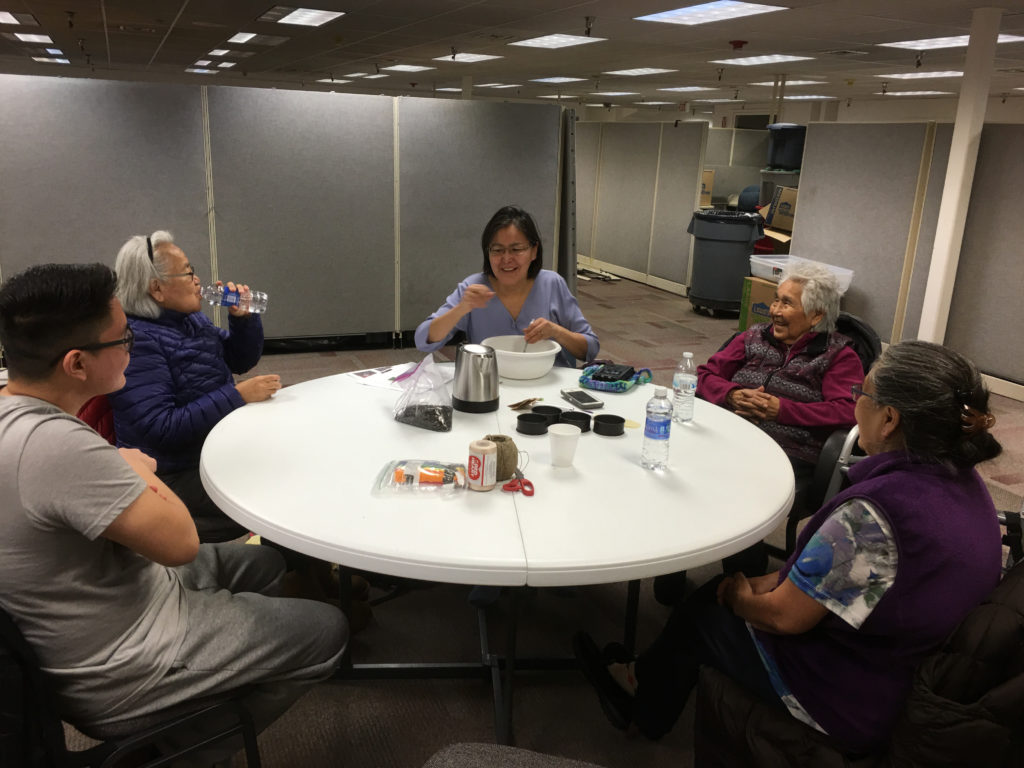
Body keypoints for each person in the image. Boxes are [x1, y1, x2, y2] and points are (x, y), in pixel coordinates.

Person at [574, 340, 1003, 754]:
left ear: (889, 419)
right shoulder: (965, 484)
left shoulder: (876, 515)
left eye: (862, 393)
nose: (856, 402)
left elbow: (784, 618)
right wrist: (772, 582)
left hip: (856, 699)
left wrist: (739, 597)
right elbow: (843, 578)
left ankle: (637, 702)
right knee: (730, 590)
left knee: (705, 610)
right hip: (914, 667)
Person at [0, 263, 347, 763]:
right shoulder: (55, 446)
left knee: (268, 566)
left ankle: (220, 681)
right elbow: (179, 543)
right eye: (124, 340)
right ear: (77, 364)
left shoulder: (22, 413)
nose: (132, 348)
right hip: (124, 661)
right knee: (327, 630)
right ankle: (182, 749)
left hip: (119, 592)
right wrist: (133, 467)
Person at [655, 260, 864, 600]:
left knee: (734, 495)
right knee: (673, 476)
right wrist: (733, 394)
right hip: (727, 438)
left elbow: (847, 411)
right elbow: (705, 375)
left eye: (786, 303)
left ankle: (743, 585)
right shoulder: (752, 337)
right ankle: (670, 567)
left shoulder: (838, 356)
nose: (774, 310)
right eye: (776, 300)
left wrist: (783, 410)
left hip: (788, 453)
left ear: (815, 315)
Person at [107, 230, 280, 542]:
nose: (197, 280)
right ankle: (299, 575)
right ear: (156, 289)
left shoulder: (188, 322)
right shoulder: (137, 344)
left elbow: (239, 360)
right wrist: (237, 396)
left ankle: (301, 569)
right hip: (174, 473)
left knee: (287, 454)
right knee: (277, 482)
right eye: (187, 272)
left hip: (212, 446)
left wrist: (242, 320)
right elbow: (162, 427)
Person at [415, 205, 599, 368]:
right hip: (490, 384)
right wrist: (461, 308)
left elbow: (590, 349)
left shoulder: (552, 284)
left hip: (546, 382)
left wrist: (557, 332)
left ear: (534, 251)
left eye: (516, 249)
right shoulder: (473, 287)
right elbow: (423, 339)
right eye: (497, 250)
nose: (506, 259)